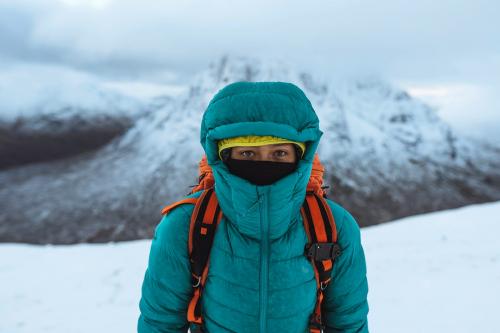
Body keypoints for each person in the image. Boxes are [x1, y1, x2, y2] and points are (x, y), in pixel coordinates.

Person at [137, 81, 369, 333]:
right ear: (222, 156)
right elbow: (160, 324)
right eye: (247, 153)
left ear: (301, 156)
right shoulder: (184, 225)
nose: (263, 162)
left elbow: (348, 323)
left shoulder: (334, 227)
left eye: (279, 153)